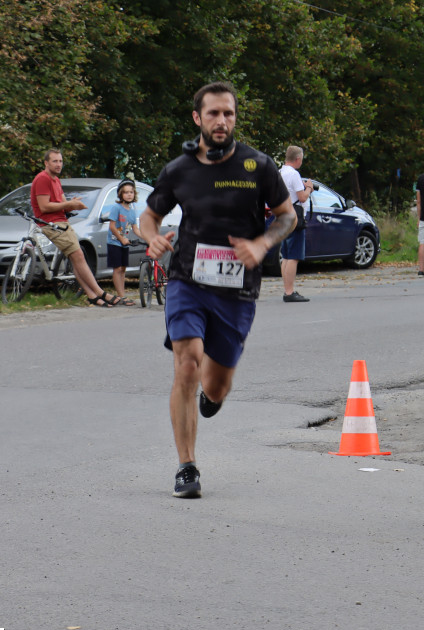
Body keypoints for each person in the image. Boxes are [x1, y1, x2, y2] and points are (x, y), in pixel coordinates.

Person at [138, 82, 296, 498]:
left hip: (236, 290)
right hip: (187, 280)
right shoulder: (179, 170)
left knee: (216, 385)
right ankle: (186, 466)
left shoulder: (258, 166)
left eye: (228, 113)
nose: (221, 121)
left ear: (235, 117)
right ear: (198, 118)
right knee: (186, 363)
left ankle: (213, 396)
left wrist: (262, 243)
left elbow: (287, 216)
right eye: (213, 114)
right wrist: (151, 238)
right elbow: (148, 215)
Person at [31, 149, 120, 307]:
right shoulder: (43, 179)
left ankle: (92, 295)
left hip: (61, 222)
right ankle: (100, 292)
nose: (59, 164)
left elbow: (63, 206)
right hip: (51, 224)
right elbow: (44, 207)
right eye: (55, 161)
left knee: (76, 258)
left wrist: (73, 204)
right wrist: (69, 204)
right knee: (78, 256)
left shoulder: (56, 180)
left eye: (60, 161)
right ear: (46, 163)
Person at [278, 145, 313, 302]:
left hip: (282, 215)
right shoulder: (294, 174)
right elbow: (303, 197)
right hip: (294, 217)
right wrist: (309, 188)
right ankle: (290, 292)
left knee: (285, 255)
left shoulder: (280, 172)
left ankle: (286, 289)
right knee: (294, 256)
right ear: (297, 159)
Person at [105, 180, 138, 306]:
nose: (129, 195)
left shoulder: (133, 210)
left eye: (131, 192)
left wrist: (146, 237)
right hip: (114, 242)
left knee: (123, 269)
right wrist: (121, 239)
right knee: (117, 268)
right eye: (126, 192)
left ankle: (122, 294)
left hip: (125, 243)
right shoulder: (116, 208)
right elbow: (112, 227)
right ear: (120, 194)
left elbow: (135, 228)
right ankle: (122, 296)